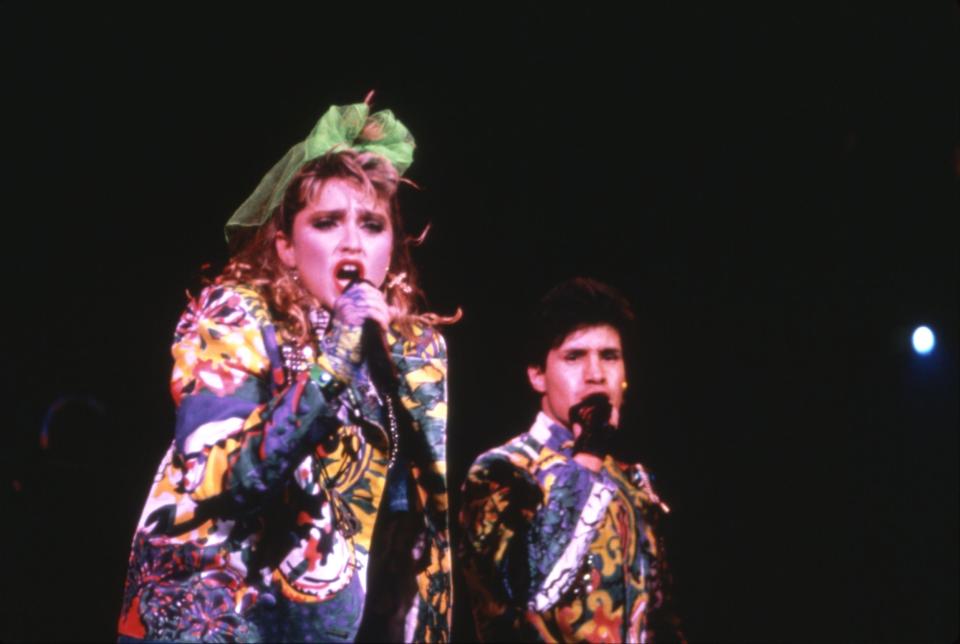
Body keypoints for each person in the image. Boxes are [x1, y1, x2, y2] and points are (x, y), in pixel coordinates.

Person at [117, 99, 456, 642]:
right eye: (326, 222)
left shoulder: (413, 353)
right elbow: (216, 480)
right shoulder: (233, 316)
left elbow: (410, 527)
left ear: (391, 248)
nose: (351, 242)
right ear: (287, 247)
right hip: (216, 619)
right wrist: (331, 365)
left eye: (372, 224)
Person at [458, 277, 683, 642]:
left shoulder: (635, 482)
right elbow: (530, 588)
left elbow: (662, 625)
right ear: (537, 375)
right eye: (574, 356)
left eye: (609, 356)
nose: (596, 375)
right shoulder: (501, 471)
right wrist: (588, 452)